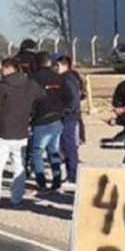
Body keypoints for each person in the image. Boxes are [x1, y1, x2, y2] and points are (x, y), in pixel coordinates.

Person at [0, 58, 45, 208]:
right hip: (22, 131)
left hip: (2, 131)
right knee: (19, 166)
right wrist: (32, 114)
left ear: (7, 68)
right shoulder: (30, 84)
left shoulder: (1, 87)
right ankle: (16, 198)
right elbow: (43, 98)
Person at [28, 52, 73, 191]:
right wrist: (62, 110)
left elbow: (29, 101)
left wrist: (30, 116)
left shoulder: (32, 79)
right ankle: (57, 181)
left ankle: (41, 183)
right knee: (54, 150)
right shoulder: (59, 78)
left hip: (40, 120)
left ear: (36, 63)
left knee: (36, 152)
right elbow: (69, 98)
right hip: (56, 119)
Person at [56, 55, 85, 183]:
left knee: (69, 145)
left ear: (64, 65)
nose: (55, 68)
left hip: (68, 116)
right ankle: (71, 173)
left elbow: (73, 99)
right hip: (70, 115)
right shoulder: (71, 77)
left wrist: (65, 111)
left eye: (57, 66)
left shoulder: (66, 78)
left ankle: (73, 174)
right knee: (66, 145)